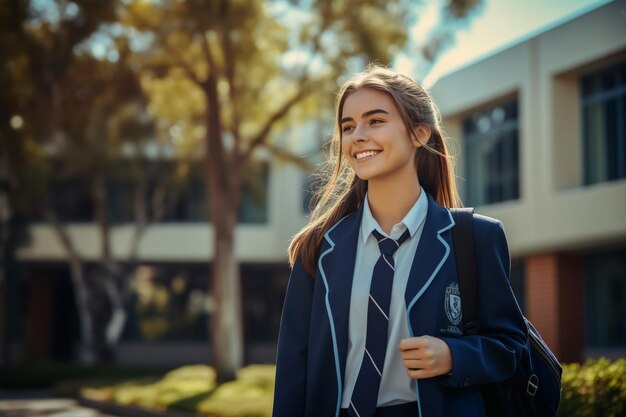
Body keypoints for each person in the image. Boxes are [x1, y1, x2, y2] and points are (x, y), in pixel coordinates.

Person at [272, 65, 528, 417]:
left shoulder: (477, 238)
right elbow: (292, 368)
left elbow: (512, 346)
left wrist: (455, 357)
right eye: (348, 127)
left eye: (375, 121)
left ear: (419, 134)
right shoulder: (318, 248)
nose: (357, 135)